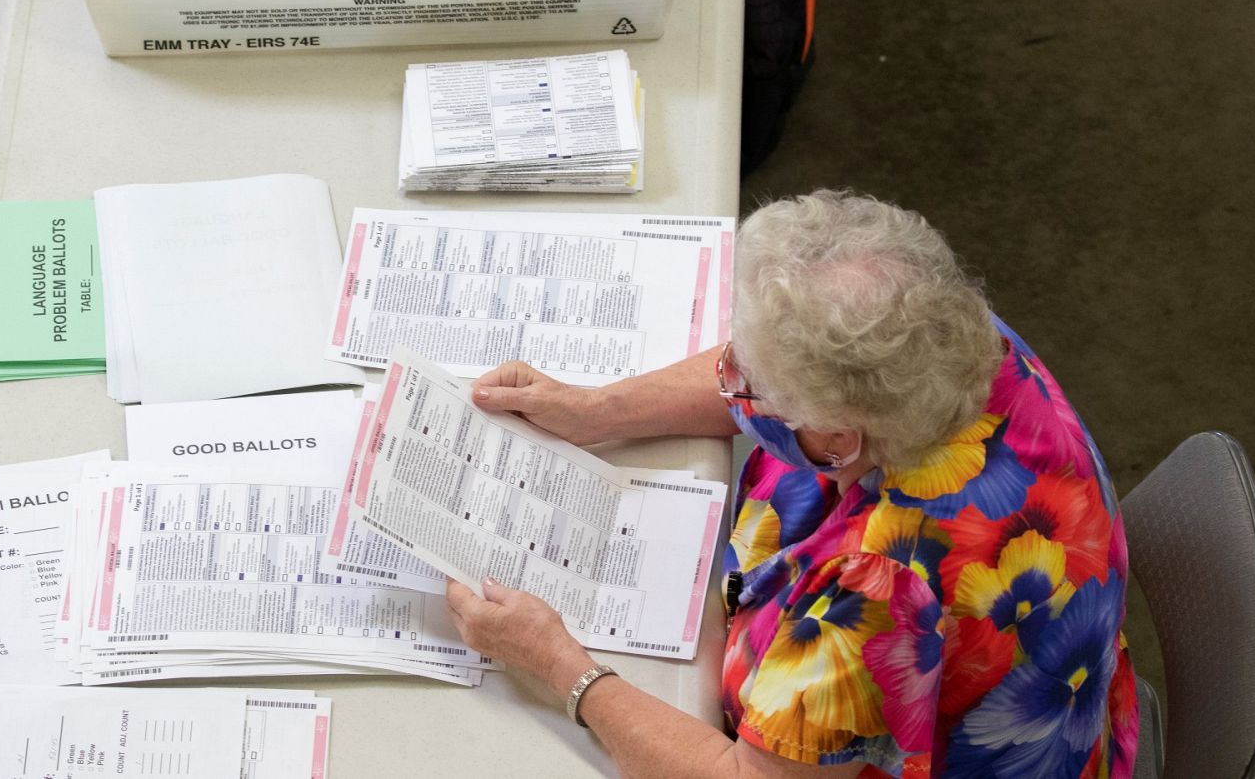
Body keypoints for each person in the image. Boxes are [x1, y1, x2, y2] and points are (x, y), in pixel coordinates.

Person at [444, 190, 1137, 778]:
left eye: (747, 382)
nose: (726, 380)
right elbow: (796, 361)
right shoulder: (932, 336)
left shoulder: (882, 587)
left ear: (834, 439)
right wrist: (598, 410)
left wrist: (561, 665)